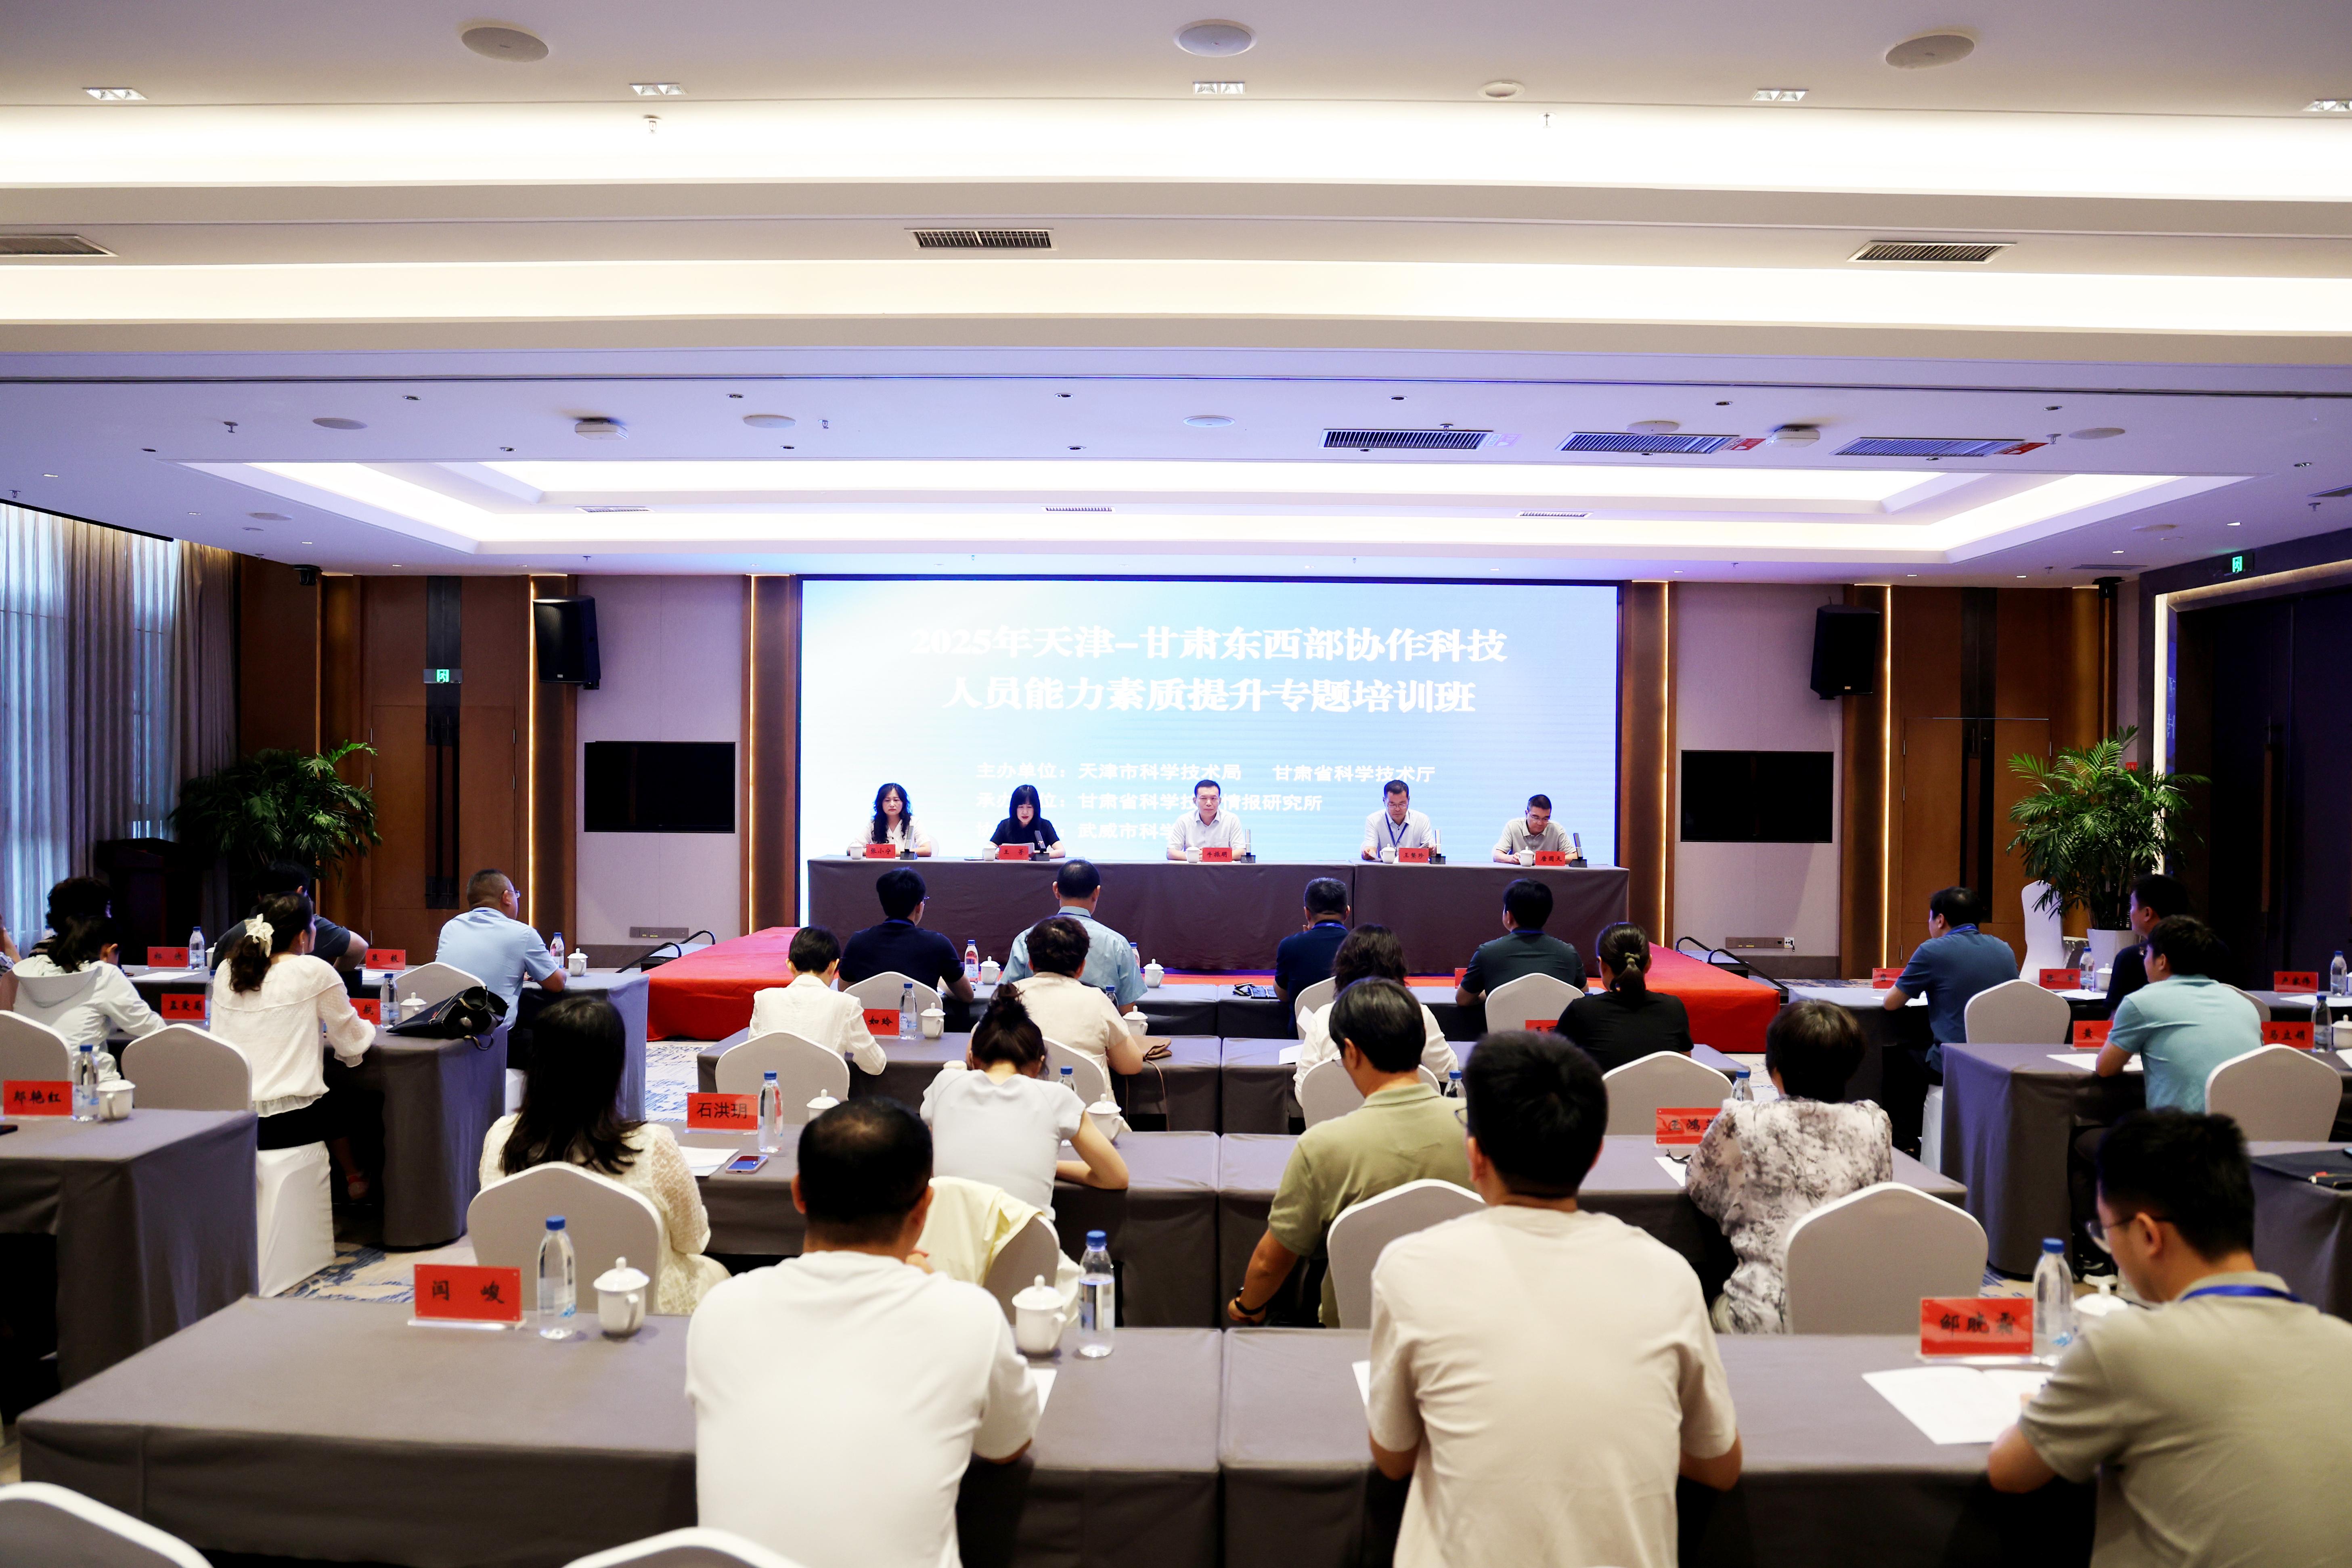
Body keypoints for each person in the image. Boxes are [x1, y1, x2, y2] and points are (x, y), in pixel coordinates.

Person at [1365, 1031, 1741, 1568]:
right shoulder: (1669, 1276)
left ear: (1474, 1157)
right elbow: (1719, 1466)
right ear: (1595, 1155)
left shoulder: (1409, 1268)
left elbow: (1394, 1458)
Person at [1988, 1111, 2352, 1568]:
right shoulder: (2344, 1342)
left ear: (2147, 1234)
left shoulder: (2126, 1345)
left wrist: (2034, 1411)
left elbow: (2009, 1471)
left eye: (2106, 1233)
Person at [687, 1100, 1039, 1568]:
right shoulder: (969, 1316)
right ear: (925, 1208)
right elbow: (1008, 1446)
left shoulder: (721, 1309)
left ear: (798, 1194)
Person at [1232, 977, 1472, 1327]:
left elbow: (1272, 1262)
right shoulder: (1484, 1132)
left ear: (1351, 1052)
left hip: (1351, 1332)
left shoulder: (1323, 1145)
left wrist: (1246, 1307)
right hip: (1465, 1321)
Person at [480, 993, 729, 1315]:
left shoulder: (500, 1136)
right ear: (614, 1067)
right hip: (638, 1311)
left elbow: (491, 1238)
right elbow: (693, 1241)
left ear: (536, 1062)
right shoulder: (652, 1144)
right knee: (716, 1274)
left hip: (526, 1307)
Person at [1686, 1001, 1891, 1334]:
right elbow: (1873, 1200)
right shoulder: (1874, 1122)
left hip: (1766, 1316)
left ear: (1774, 1069)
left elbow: (1700, 1189)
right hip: (1851, 1312)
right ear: (1850, 1068)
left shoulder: (1744, 1118)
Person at [209, 891, 375, 1194]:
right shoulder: (315, 970)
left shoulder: (226, 970)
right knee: (349, 1098)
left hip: (231, 1116)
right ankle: (356, 1178)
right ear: (302, 937)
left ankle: (352, 1178)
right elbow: (352, 1043)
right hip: (290, 1123)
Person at [919, 986, 1128, 1211]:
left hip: (951, 1232)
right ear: (1039, 1064)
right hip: (1028, 1233)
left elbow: (933, 1164)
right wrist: (1050, 1166)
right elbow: (1116, 1177)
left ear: (973, 1059)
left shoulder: (945, 1084)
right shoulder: (1058, 1097)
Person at [1879, 886, 2017, 1154]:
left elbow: (1891, 1002)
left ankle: (1904, 1145)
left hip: (1953, 1064)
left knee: (1897, 1057)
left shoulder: (1933, 951)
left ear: (1940, 919)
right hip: (1999, 1061)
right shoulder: (2004, 950)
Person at [2094, 915, 2260, 1112]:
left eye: (2147, 953)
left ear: (2162, 961)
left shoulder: (2142, 1002)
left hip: (2181, 1128)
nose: (2145, 960)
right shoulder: (2244, 1004)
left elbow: (2105, 1069)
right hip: (2245, 1126)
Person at [1293, 925, 1457, 1095]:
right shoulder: (1419, 1014)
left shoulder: (1322, 1017)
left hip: (1334, 1112)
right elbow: (1449, 1072)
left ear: (1342, 969)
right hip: (1405, 1111)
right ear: (1397, 968)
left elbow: (1303, 1090)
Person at [7, 877, 163, 1049]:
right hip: (86, 1064)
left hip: (29, 1064)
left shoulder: (32, 967)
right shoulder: (103, 972)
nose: (110, 916)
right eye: (107, 909)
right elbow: (153, 1029)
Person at [1004, 916, 1143, 1080]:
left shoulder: (1009, 997)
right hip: (1086, 1097)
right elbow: (1132, 1065)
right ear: (1081, 968)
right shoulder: (1098, 1001)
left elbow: (978, 1055)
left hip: (1024, 1095)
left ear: (1031, 964)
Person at [1001, 859, 1144, 1008]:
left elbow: (1006, 999)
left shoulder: (1026, 938)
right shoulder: (1117, 944)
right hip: (1095, 1022)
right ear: (1097, 892)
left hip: (1035, 1022)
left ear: (1056, 890)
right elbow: (1128, 1011)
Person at [748, 926, 886, 1077]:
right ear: (833, 966)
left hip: (774, 1090)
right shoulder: (846, 1004)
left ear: (790, 966)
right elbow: (875, 1065)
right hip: (826, 1092)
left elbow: (754, 1055)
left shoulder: (764, 999)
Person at [1558, 922, 1692, 1070]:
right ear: (1649, 963)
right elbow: (1685, 1067)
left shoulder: (1581, 1010)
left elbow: (1554, 1065)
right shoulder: (1674, 1008)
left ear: (1602, 965)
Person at [434, 869, 564, 1017]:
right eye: (516, 895)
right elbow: (557, 984)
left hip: (444, 1023)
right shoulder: (523, 934)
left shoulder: (450, 927)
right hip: (490, 1027)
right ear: (506, 897)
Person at [840, 869, 974, 1008]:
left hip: (868, 1022)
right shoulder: (939, 944)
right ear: (919, 906)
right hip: (921, 1022)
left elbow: (845, 991)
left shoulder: (857, 942)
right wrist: (941, 983)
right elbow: (967, 996)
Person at [1454, 877, 1586, 1007]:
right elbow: (1583, 993)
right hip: (1555, 1023)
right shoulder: (1569, 953)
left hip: (1504, 1022)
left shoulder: (1486, 953)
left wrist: (1491, 995)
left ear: (1509, 916)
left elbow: (1463, 1000)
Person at [211, 861, 366, 972]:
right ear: (299, 893)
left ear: (260, 896)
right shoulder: (307, 926)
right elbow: (359, 946)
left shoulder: (229, 937)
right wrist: (336, 978)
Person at [2102, 872, 2191, 1017]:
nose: (2130, 913)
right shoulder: (2215, 951)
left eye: (2132, 906)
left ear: (2148, 914)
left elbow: (2117, 1021)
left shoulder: (2130, 958)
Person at [1273, 877, 1351, 1006]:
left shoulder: (1290, 945)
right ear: (1347, 912)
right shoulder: (1362, 946)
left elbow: (1283, 995)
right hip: (1347, 1019)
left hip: (1303, 1020)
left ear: (1307, 913)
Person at [1359, 778, 1438, 861]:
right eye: (1392, 805)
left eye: (1402, 804)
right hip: (1385, 868)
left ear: (1409, 801)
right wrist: (1368, 853)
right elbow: (1371, 848)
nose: (1397, 809)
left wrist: (1432, 850)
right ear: (1384, 801)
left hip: (1414, 868)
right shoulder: (1374, 820)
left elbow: (1431, 849)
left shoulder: (1422, 820)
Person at [1165, 777, 1244, 860]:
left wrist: (1210, 856)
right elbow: (1171, 853)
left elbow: (1241, 852)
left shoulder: (1231, 820)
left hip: (1222, 868)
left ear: (1220, 801)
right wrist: (1193, 856)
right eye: (1203, 798)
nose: (1209, 803)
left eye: (1214, 799)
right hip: (1193, 868)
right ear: (1195, 801)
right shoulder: (1184, 820)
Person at [850, 781, 934, 858]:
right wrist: (880, 852)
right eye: (887, 801)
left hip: (906, 868)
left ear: (904, 803)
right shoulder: (874, 824)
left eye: (896, 800)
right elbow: (851, 849)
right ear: (880, 804)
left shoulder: (913, 822)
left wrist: (896, 853)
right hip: (880, 868)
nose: (892, 804)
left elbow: (927, 850)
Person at [1491, 792, 1579, 864]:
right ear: (1527, 814)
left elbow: (1575, 857)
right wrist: (1512, 859)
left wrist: (1545, 859)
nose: (1540, 823)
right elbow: (1497, 855)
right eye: (1536, 818)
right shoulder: (1513, 826)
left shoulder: (1556, 829)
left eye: (1545, 819)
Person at [986, 783, 1063, 858]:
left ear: (1036, 808)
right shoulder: (1005, 825)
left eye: (1029, 807)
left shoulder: (1045, 825)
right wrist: (996, 854)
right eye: (1021, 807)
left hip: (1036, 866)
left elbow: (1061, 851)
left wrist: (1041, 855)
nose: (1025, 812)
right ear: (1014, 809)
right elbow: (989, 849)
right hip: (1010, 866)